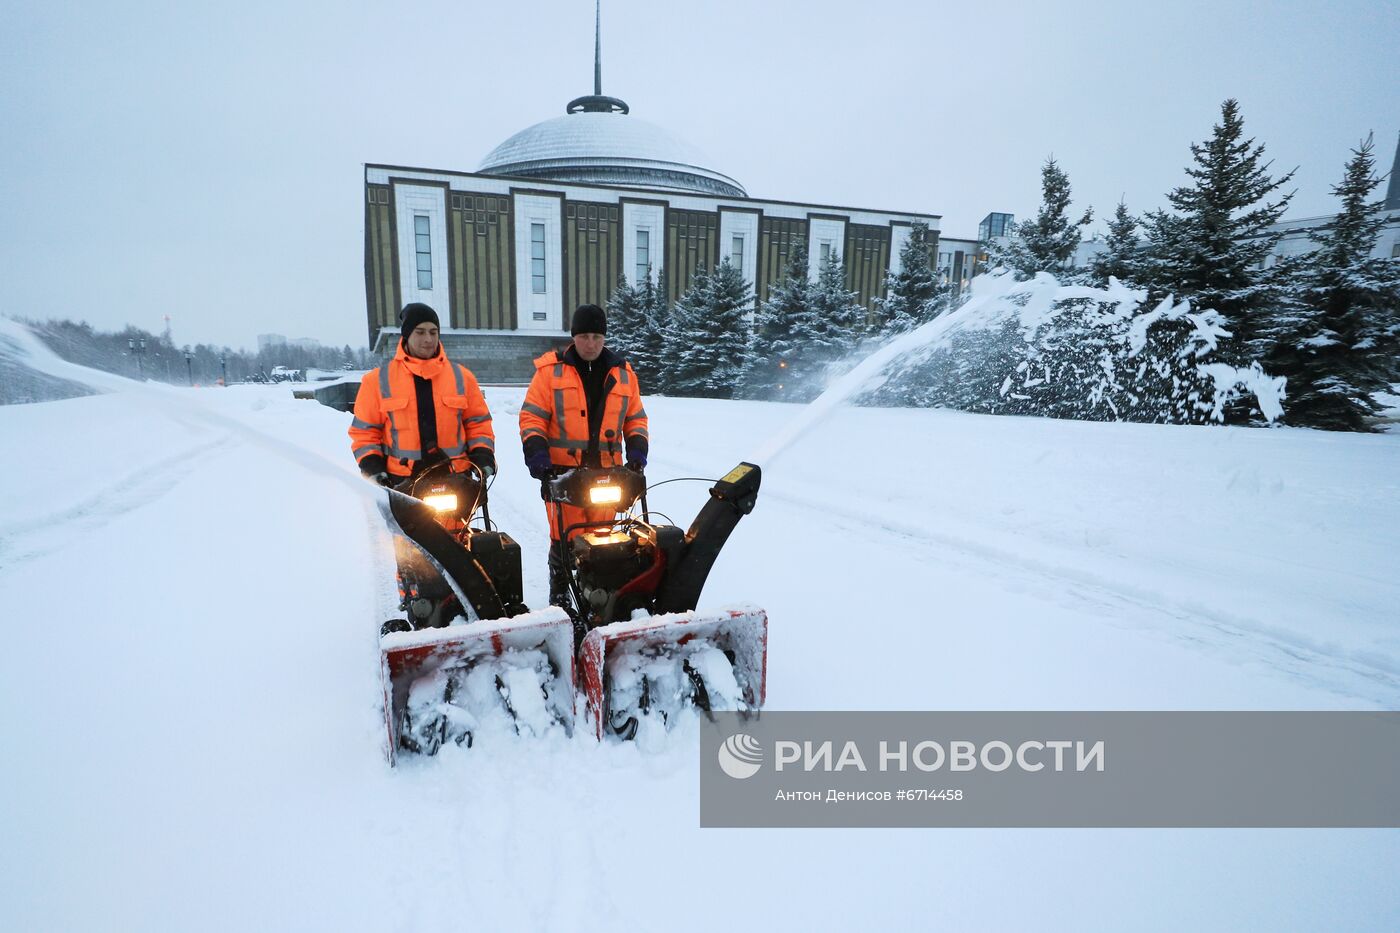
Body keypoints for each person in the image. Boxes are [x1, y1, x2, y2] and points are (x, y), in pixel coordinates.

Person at [519, 303, 648, 607]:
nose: (591, 343)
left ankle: (599, 594)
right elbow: (532, 418)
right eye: (584, 336)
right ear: (574, 336)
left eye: (597, 336)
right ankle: (561, 593)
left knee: (605, 537)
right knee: (564, 539)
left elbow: (636, 418)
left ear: (604, 337)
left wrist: (638, 453)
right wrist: (538, 458)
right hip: (563, 474)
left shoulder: (624, 374)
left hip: (608, 474)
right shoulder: (549, 373)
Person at [349, 302, 496, 485]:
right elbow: (364, 432)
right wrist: (372, 466)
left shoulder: (463, 377)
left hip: (456, 478)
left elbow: (478, 424)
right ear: (407, 335)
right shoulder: (376, 381)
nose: (428, 339)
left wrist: (483, 453)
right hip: (402, 483)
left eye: (433, 332)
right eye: (420, 332)